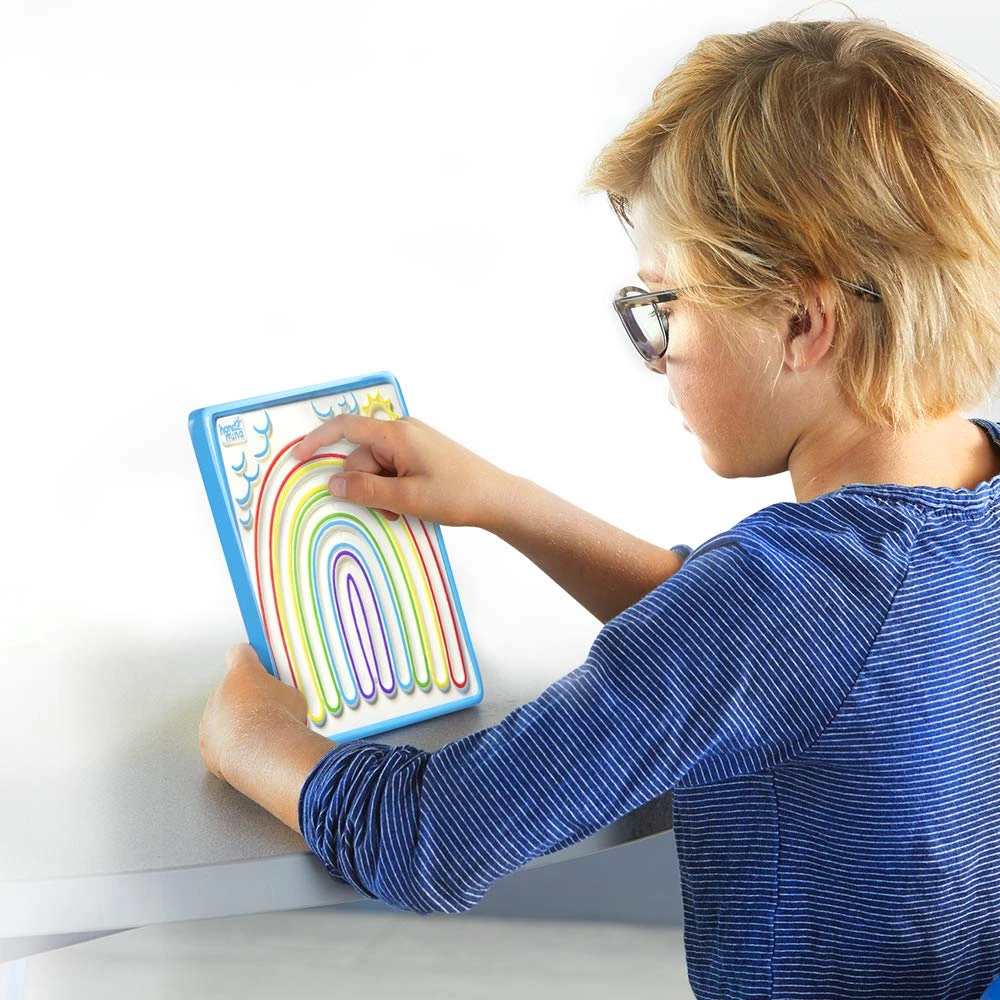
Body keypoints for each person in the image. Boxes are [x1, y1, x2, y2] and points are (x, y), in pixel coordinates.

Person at [198, 13, 1000, 998]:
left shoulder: (785, 601)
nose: (659, 353)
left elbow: (429, 837)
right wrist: (508, 504)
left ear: (801, 321)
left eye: (665, 303)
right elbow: (778, 651)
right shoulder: (959, 506)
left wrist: (255, 739)